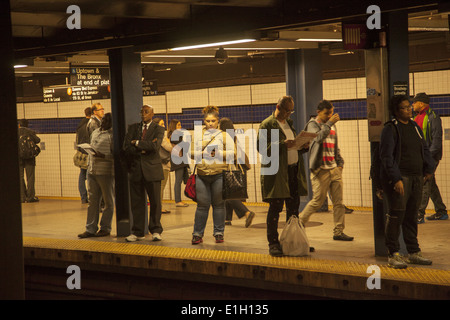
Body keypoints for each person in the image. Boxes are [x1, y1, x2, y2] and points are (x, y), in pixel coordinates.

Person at [380, 95, 434, 269]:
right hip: (401, 178)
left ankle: (413, 252)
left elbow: (424, 149)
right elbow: (386, 156)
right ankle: (393, 253)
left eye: (409, 106)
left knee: (411, 216)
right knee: (396, 216)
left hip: (417, 177)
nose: (409, 109)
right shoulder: (391, 129)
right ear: (396, 111)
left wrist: (429, 169)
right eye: (404, 107)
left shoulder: (414, 126)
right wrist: (396, 178)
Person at [257, 96, 309, 257]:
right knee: (275, 209)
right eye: (287, 110)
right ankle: (273, 243)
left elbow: (292, 149)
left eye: (290, 111)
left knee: (293, 210)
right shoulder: (267, 124)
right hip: (277, 174)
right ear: (278, 107)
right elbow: (261, 148)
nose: (288, 114)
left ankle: (292, 241)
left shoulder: (289, 125)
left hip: (293, 171)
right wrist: (282, 144)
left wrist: (302, 146)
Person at [299, 100, 354, 242]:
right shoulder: (313, 125)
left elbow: (335, 145)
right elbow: (317, 138)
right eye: (327, 113)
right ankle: (299, 224)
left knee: (339, 202)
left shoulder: (332, 126)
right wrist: (329, 123)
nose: (330, 116)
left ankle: (339, 231)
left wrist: (340, 163)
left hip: (334, 168)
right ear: (318, 112)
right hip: (320, 170)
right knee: (317, 201)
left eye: (331, 113)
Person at [191, 106, 235, 244]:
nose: (210, 123)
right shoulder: (198, 135)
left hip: (219, 174)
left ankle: (219, 233)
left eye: (213, 121)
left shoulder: (224, 135)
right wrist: (203, 154)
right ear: (204, 121)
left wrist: (217, 154)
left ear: (218, 122)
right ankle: (197, 234)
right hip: (202, 174)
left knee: (218, 205)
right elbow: (191, 153)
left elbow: (233, 153)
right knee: (202, 206)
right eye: (208, 121)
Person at [123, 105, 165, 242]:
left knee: (155, 202)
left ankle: (156, 230)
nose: (143, 114)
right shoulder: (133, 128)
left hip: (152, 171)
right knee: (137, 202)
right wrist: (142, 147)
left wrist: (137, 143)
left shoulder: (158, 129)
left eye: (146, 112)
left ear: (152, 113)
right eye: (141, 111)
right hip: (136, 170)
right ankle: (137, 231)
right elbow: (126, 148)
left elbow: (155, 146)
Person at [78, 113, 115, 238]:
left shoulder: (112, 135)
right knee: (93, 201)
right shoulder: (95, 132)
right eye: (103, 119)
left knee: (108, 201)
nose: (103, 122)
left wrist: (103, 156)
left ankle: (105, 228)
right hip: (92, 171)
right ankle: (90, 229)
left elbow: (116, 156)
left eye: (107, 120)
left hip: (106, 173)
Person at [412, 92, 448, 223]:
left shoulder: (433, 117)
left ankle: (419, 214)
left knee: (425, 183)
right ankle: (441, 211)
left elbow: (436, 141)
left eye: (414, 102)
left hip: (431, 157)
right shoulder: (416, 117)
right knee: (431, 183)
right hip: (421, 156)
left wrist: (428, 158)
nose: (412, 104)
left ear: (421, 103)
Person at [219, 117, 255, 227]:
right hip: (236, 167)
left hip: (229, 167)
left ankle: (246, 212)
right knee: (227, 192)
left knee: (227, 194)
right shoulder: (233, 136)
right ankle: (227, 219)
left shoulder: (223, 137)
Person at [168, 119, 190, 208]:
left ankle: (179, 200)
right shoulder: (174, 135)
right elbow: (184, 145)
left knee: (181, 180)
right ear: (174, 126)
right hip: (178, 160)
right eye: (178, 125)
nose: (180, 127)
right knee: (178, 181)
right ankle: (178, 201)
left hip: (180, 160)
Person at [18, 119, 41, 203]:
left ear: (19, 125)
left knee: (20, 177)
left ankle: (22, 197)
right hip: (30, 157)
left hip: (19, 157)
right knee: (30, 177)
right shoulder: (30, 131)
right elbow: (38, 140)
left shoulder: (15, 132)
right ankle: (30, 197)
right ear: (27, 125)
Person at [154, 117, 172, 214]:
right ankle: (159, 208)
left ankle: (157, 207)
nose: (164, 126)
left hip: (155, 164)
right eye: (161, 124)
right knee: (161, 187)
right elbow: (170, 148)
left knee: (157, 187)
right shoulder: (161, 136)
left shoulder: (152, 136)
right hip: (163, 165)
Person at [75, 107, 92, 204]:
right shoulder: (90, 124)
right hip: (88, 153)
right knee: (90, 176)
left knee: (82, 175)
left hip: (81, 152)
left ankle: (83, 197)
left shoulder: (80, 124)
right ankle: (91, 197)